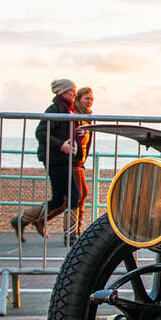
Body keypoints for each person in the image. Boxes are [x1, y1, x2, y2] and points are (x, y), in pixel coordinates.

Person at [10, 79, 81, 242]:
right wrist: (61, 145)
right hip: (56, 159)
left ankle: (22, 220)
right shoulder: (55, 109)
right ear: (62, 92)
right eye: (72, 91)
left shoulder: (68, 110)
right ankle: (70, 235)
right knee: (73, 195)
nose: (74, 94)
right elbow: (41, 133)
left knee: (58, 199)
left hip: (62, 158)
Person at [70, 86, 94, 239]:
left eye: (91, 99)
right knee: (79, 194)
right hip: (74, 161)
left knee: (78, 195)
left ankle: (75, 230)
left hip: (80, 161)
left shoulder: (87, 117)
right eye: (87, 98)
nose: (90, 101)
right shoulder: (76, 116)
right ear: (79, 99)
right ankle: (73, 231)